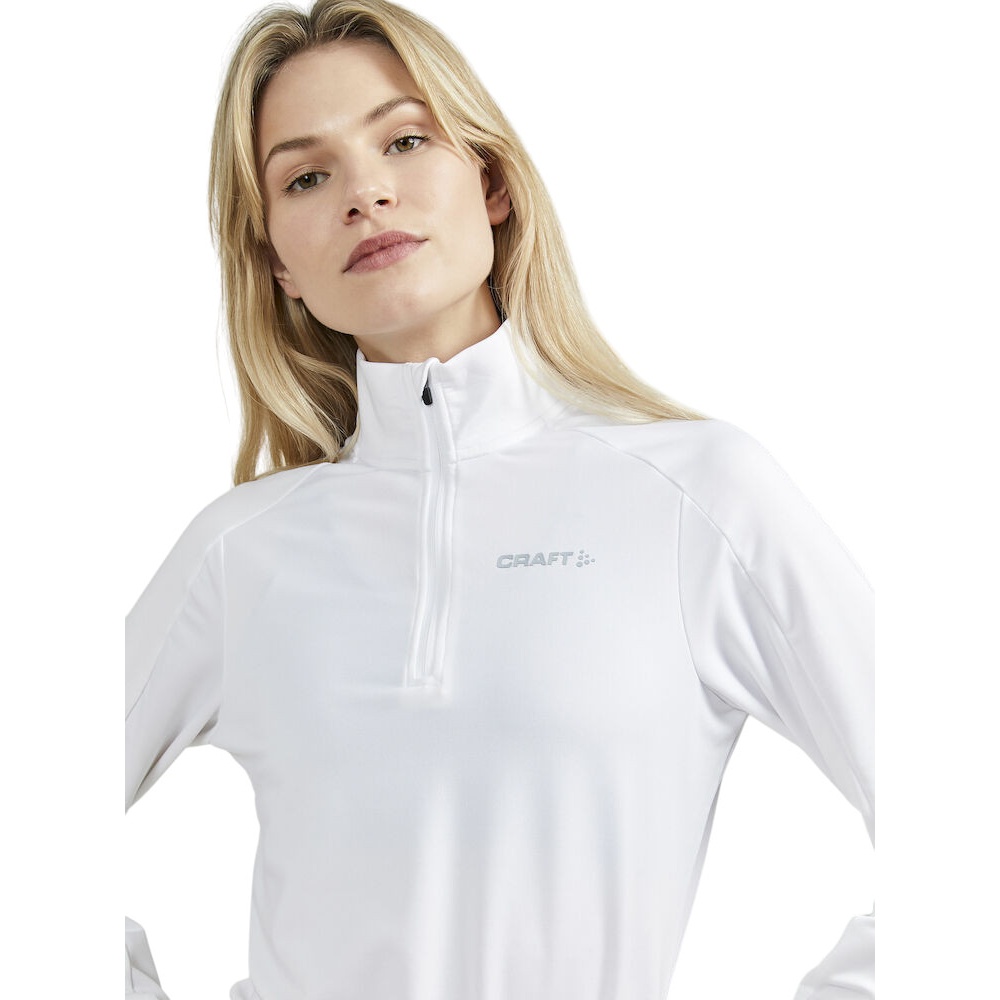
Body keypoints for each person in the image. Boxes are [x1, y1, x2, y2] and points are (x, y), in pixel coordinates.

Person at [125, 1, 875, 998]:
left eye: (404, 140)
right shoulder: (239, 553)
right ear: (276, 262)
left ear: (491, 183)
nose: (366, 193)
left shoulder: (699, 497)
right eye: (307, 176)